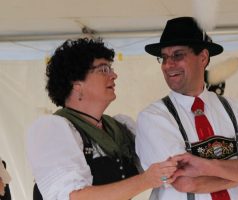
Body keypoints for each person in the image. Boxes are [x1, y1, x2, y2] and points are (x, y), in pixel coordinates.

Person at [135, 16, 238, 200]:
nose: (168, 65)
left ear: (203, 57)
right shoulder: (153, 117)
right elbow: (186, 182)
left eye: (177, 55)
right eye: (163, 58)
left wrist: (209, 167)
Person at [26, 38, 178, 200]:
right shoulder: (52, 130)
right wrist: (146, 180)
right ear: (76, 83)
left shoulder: (121, 128)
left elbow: (160, 168)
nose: (114, 75)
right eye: (103, 70)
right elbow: (73, 197)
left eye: (110, 68)